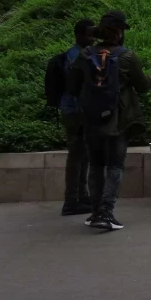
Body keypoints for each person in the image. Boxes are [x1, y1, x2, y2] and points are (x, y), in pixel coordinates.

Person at [69, 10, 150, 231]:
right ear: (119, 32)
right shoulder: (127, 56)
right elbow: (142, 87)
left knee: (95, 166)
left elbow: (74, 86)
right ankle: (106, 212)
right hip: (117, 122)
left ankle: (95, 212)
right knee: (114, 166)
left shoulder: (85, 54)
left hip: (90, 120)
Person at [58, 19, 95, 216]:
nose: (92, 38)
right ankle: (71, 200)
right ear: (78, 36)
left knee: (84, 155)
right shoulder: (75, 55)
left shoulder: (83, 53)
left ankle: (82, 195)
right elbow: (78, 85)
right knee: (76, 155)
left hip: (80, 111)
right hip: (74, 111)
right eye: (89, 34)